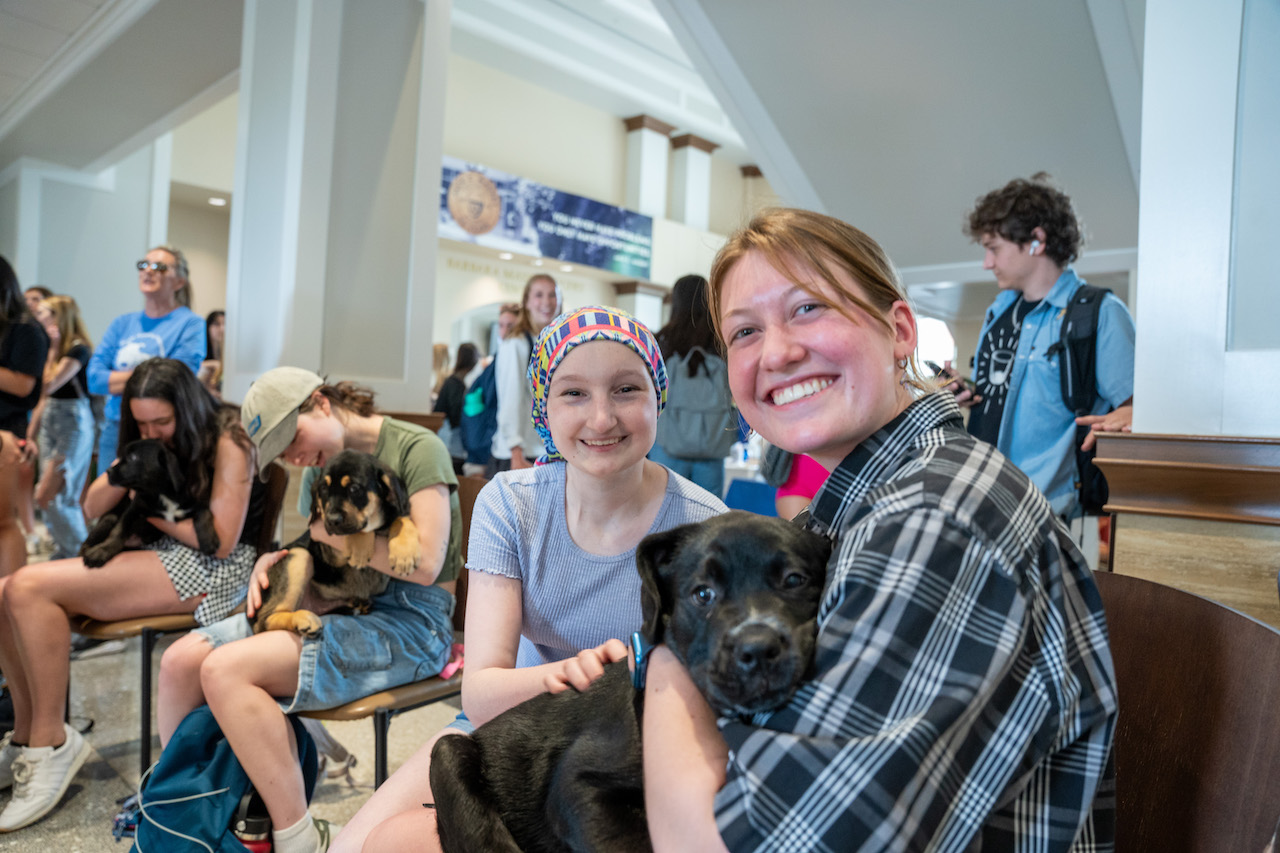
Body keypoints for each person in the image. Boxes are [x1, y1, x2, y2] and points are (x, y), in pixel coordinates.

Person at [641, 208, 1117, 851]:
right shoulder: (854, 511)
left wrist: (665, 664)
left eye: (808, 308)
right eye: (745, 332)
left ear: (897, 331)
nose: (777, 352)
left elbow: (753, 842)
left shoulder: (936, 518)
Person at [331, 306, 727, 853]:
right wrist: (576, 674)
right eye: (574, 394)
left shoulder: (704, 524)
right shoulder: (511, 504)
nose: (602, 418)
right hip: (510, 731)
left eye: (626, 390)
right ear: (543, 404)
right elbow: (484, 688)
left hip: (630, 755)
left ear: (657, 397)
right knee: (355, 845)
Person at [157, 367, 462, 853]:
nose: (296, 457)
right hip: (332, 597)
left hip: (410, 620)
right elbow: (313, 542)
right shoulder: (319, 469)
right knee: (178, 662)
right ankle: (181, 811)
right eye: (281, 453)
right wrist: (269, 561)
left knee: (225, 670)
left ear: (320, 401)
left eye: (293, 437)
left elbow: (424, 564)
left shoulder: (416, 448)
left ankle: (294, 836)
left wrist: (344, 537)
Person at [0, 357, 262, 831]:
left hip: (213, 568)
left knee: (27, 585)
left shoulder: (229, 437)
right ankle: (24, 738)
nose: (153, 431)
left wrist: (147, 510)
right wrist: (126, 472)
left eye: (162, 421)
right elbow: (92, 503)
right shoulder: (143, 439)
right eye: (141, 422)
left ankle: (50, 743)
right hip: (160, 548)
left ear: (187, 408)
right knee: (5, 591)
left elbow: (220, 540)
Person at [957, 174, 1135, 526]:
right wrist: (966, 390)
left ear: (1036, 240)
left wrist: (1134, 414)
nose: (986, 263)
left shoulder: (1100, 313)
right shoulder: (998, 312)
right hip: (980, 506)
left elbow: (1136, 410)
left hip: (1054, 517)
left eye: (993, 248)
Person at [87, 246, 206, 468]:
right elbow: (94, 379)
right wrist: (152, 375)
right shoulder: (122, 323)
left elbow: (177, 378)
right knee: (108, 499)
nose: (148, 271)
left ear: (179, 282)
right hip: (116, 427)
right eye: (143, 265)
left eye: (160, 267)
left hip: (163, 431)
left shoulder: (190, 324)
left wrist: (118, 380)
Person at [649, 273, 737, 496]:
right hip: (712, 448)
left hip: (668, 446)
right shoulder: (721, 341)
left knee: (663, 510)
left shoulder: (662, 342)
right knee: (708, 515)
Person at [29, 296, 95, 559]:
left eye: (44, 312)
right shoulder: (51, 347)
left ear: (59, 316)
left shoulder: (77, 348)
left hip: (73, 422)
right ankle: (64, 551)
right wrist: (30, 433)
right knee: (45, 497)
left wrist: (54, 348)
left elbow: (48, 384)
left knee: (56, 495)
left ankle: (82, 554)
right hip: (50, 421)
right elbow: (43, 399)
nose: (38, 316)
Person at [0, 257, 49, 579]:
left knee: (4, 522)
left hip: (6, 431)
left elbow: (23, 385)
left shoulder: (26, 329)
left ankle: (6, 606)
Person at [491, 274, 561, 472]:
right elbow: (510, 398)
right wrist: (515, 451)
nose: (546, 302)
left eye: (552, 295)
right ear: (527, 302)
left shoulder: (548, 341)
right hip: (518, 454)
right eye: (539, 295)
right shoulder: (516, 343)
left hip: (543, 450)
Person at [432, 342, 479, 474]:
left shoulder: (455, 382)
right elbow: (456, 416)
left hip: (451, 443)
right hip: (451, 443)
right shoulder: (455, 384)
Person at [198, 309, 226, 400]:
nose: (222, 329)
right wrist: (213, 363)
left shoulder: (232, 356)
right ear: (208, 327)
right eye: (217, 324)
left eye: (225, 324)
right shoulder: (199, 350)